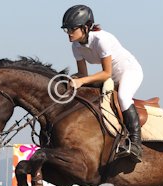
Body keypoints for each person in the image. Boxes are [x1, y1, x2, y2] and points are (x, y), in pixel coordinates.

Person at [61, 4, 144, 162]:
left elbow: (106, 73)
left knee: (123, 97)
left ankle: (135, 144)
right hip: (111, 76)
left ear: (86, 27)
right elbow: (83, 74)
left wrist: (81, 81)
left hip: (129, 71)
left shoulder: (101, 40)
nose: (69, 32)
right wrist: (70, 79)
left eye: (72, 28)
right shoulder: (76, 46)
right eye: (67, 29)